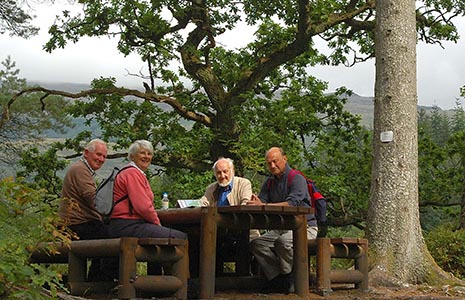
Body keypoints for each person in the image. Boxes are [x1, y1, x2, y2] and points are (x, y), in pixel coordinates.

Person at [247, 147, 318, 294]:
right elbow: (262, 202)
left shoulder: (297, 178)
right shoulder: (269, 182)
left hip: (305, 227)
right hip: (281, 228)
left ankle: (290, 276)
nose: (272, 166)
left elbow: (292, 203)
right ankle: (278, 278)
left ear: (284, 159)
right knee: (256, 244)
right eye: (269, 163)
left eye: (275, 161)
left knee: (283, 242)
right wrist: (256, 201)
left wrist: (264, 205)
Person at [58, 138, 115, 280]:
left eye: (104, 156)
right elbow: (94, 201)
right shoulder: (80, 170)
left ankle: (97, 279)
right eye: (98, 154)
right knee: (112, 239)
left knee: (107, 232)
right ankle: (99, 281)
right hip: (75, 225)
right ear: (86, 153)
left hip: (80, 223)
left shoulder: (83, 170)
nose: (101, 159)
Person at [108, 140, 187, 240]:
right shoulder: (132, 173)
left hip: (127, 224)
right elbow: (143, 207)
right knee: (181, 237)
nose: (146, 156)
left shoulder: (133, 173)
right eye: (142, 153)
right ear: (132, 156)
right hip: (128, 224)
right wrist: (157, 223)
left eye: (149, 154)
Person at [200, 157, 258, 275]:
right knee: (198, 239)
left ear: (232, 171)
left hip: (242, 231)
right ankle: (205, 280)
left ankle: (242, 279)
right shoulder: (211, 188)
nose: (222, 176)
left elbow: (246, 203)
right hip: (218, 232)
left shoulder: (243, 183)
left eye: (225, 171)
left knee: (241, 238)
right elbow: (203, 203)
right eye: (218, 172)